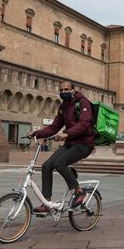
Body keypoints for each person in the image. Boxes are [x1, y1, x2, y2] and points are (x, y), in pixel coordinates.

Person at [28, 81, 94, 213]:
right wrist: (36, 133)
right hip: (70, 143)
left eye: (66, 89)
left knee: (60, 163)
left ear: (73, 90)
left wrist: (66, 133)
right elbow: (54, 127)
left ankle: (79, 192)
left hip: (84, 143)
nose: (63, 92)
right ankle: (47, 202)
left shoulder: (82, 102)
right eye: (61, 90)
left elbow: (84, 123)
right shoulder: (64, 106)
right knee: (46, 166)